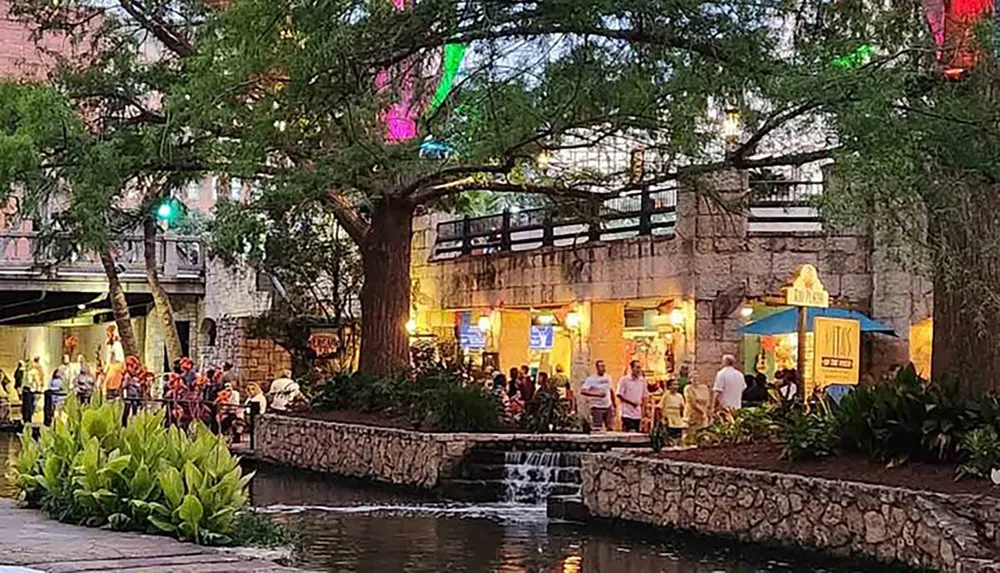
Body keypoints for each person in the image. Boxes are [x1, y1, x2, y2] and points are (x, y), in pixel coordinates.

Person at [581, 360, 614, 431]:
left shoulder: (608, 377)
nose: (603, 368)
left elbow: (611, 390)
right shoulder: (591, 379)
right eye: (601, 366)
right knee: (597, 428)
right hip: (597, 406)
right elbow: (583, 391)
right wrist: (597, 394)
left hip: (608, 405)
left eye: (604, 366)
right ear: (597, 368)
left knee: (610, 427)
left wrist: (613, 404)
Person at [616, 360, 648, 432]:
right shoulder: (624, 380)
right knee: (629, 431)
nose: (638, 370)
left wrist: (644, 410)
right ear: (632, 368)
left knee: (636, 432)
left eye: (639, 368)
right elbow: (619, 394)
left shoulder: (642, 381)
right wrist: (631, 402)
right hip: (627, 412)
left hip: (637, 413)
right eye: (637, 367)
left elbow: (645, 396)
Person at [659, 377, 686, 441]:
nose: (675, 386)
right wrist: (663, 418)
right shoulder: (666, 395)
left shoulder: (680, 396)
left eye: (677, 384)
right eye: (673, 384)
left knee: (678, 436)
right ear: (669, 386)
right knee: (670, 436)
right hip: (669, 418)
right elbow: (660, 406)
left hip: (677, 418)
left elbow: (682, 407)